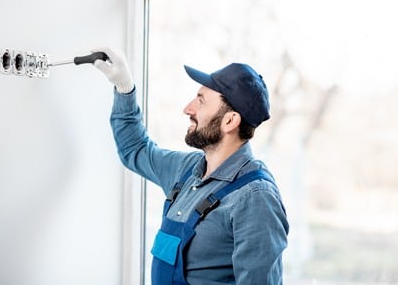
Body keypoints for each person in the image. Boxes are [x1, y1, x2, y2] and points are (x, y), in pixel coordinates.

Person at [92, 47, 289, 285]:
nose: (188, 108)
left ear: (229, 121)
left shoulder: (255, 197)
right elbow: (135, 149)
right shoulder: (188, 171)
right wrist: (124, 88)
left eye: (201, 101)